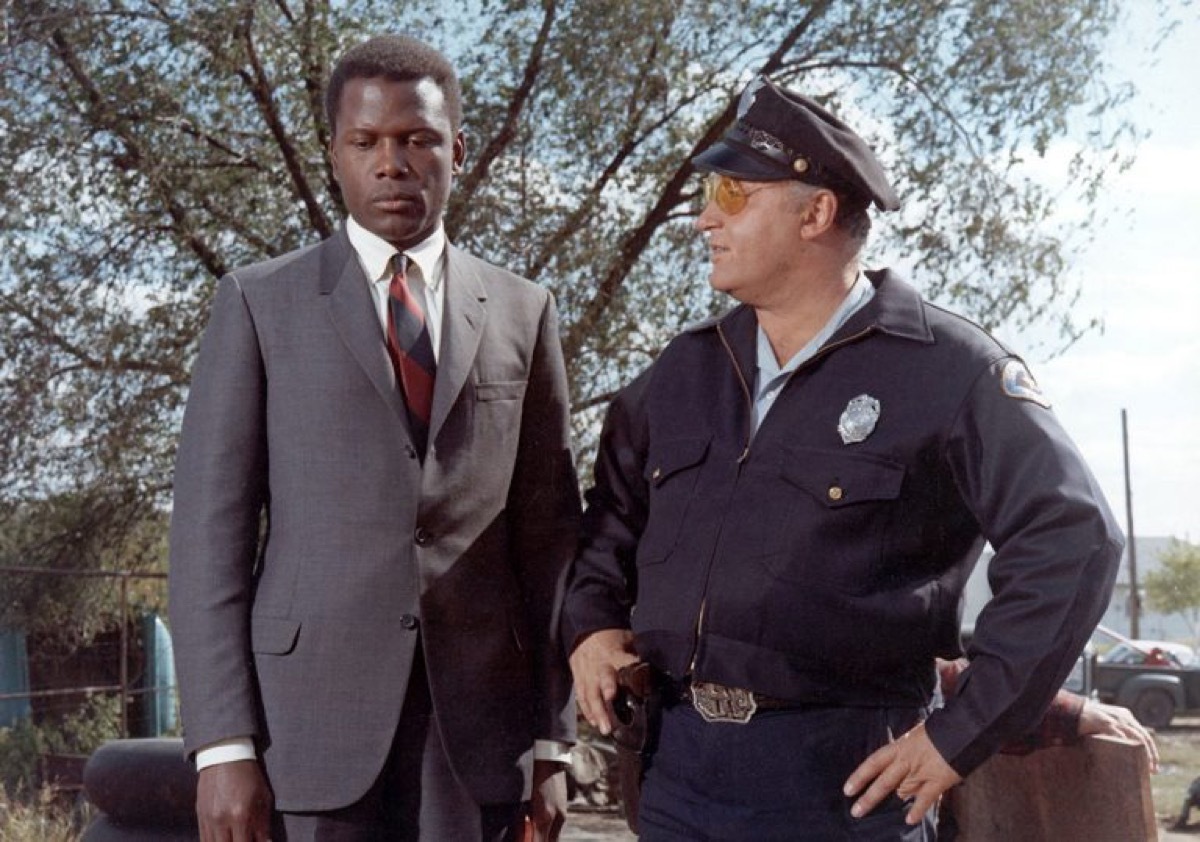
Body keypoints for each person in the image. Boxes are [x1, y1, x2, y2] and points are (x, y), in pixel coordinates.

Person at [562, 76, 1123, 840]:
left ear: (815, 213)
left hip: (847, 783)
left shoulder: (947, 369)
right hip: (677, 770)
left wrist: (960, 733)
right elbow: (612, 517)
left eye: (732, 194)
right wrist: (591, 624)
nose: (703, 220)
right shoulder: (684, 371)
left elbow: (1074, 536)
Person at [168, 34, 580, 841]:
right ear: (334, 155)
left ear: (457, 150)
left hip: (476, 742)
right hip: (305, 735)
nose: (392, 162)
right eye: (366, 142)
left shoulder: (525, 312)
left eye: (418, 140)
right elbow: (208, 536)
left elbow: (550, 542)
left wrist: (551, 740)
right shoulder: (258, 304)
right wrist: (221, 744)